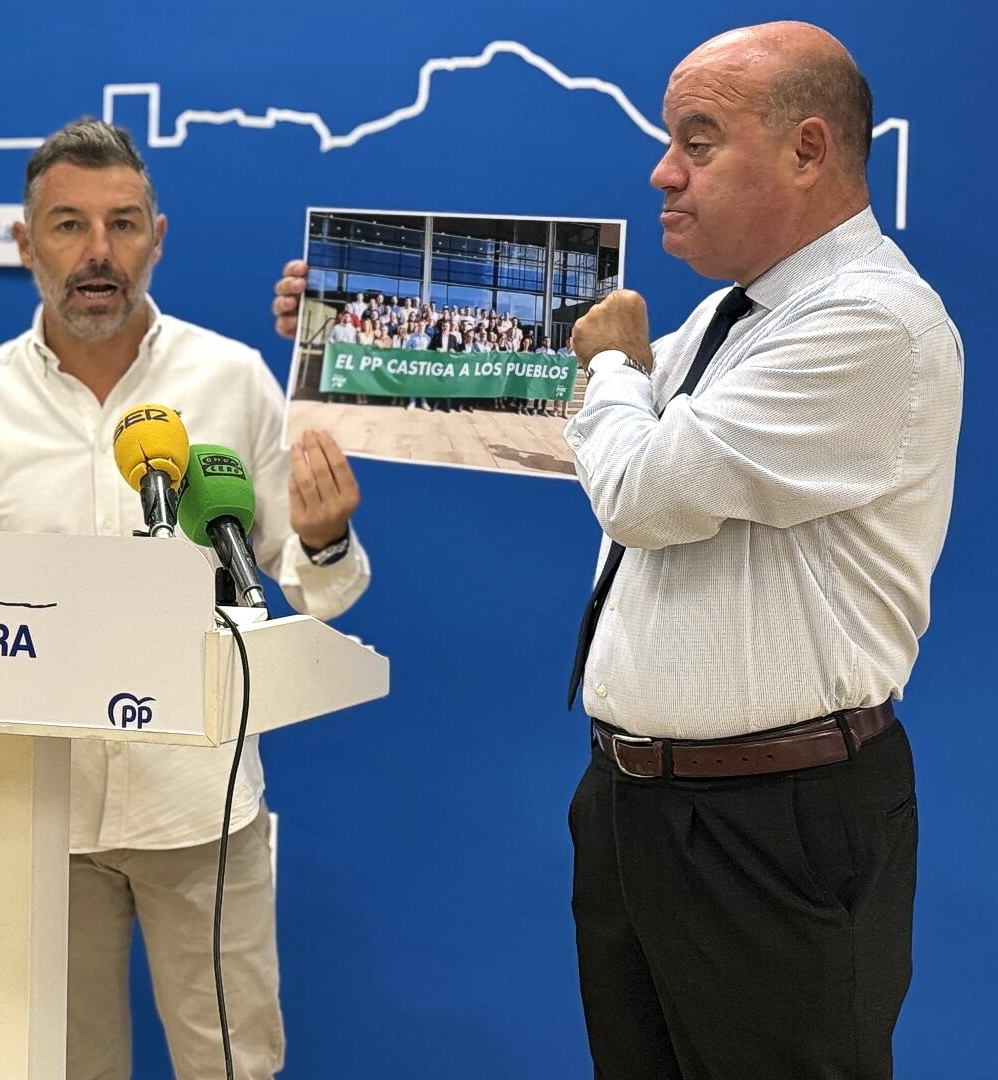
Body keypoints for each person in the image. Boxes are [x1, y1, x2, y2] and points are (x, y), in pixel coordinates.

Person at [278, 19, 959, 1078]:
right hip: (644, 808)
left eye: (698, 140)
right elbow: (563, 416)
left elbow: (642, 487)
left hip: (773, 819)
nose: (663, 171)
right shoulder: (738, 316)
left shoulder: (871, 323)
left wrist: (612, 369)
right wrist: (359, 326)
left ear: (808, 150)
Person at [0, 119, 368, 1080]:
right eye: (68, 225)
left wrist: (324, 538)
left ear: (159, 237)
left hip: (202, 804)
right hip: (36, 814)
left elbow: (313, 586)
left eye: (122, 223)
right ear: (24, 244)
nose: (98, 252)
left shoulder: (232, 380)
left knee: (234, 1066)